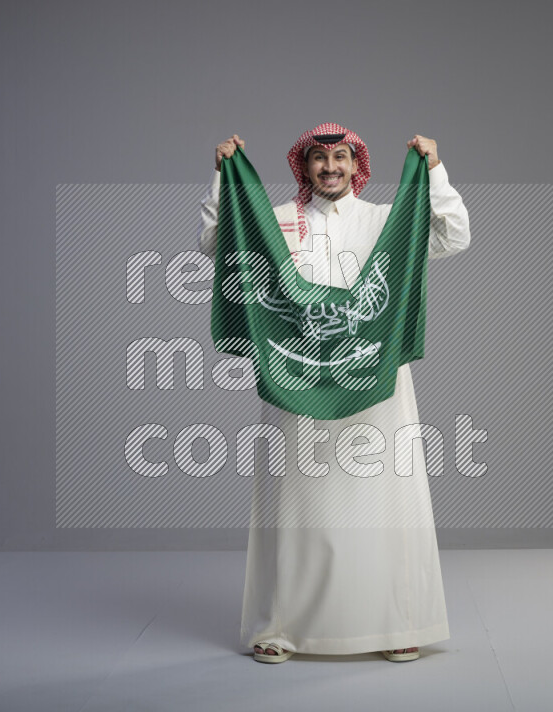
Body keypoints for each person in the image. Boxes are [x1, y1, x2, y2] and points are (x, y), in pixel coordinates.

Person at [197, 122, 471, 663]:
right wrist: (221, 181)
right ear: (304, 167)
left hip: (374, 377)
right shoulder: (275, 223)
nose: (330, 168)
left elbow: (454, 237)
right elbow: (213, 243)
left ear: (355, 164)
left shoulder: (386, 220)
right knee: (296, 508)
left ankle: (396, 624)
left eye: (340, 157)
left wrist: (435, 171)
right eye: (319, 159)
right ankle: (281, 628)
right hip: (295, 378)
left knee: (383, 500)